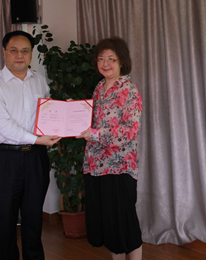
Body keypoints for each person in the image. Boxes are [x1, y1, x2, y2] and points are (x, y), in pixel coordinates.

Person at [0, 31, 61, 260]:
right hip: (6, 159)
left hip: (36, 158)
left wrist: (61, 120)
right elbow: (2, 125)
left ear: (31, 54)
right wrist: (37, 139)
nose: (19, 55)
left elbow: (47, 115)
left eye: (25, 51)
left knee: (34, 220)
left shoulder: (40, 81)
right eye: (14, 50)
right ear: (4, 52)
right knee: (5, 222)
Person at [78, 37, 143, 260]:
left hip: (119, 166)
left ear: (121, 62)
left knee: (125, 224)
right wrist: (72, 115)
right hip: (95, 165)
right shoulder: (99, 88)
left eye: (111, 59)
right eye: (101, 59)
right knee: (110, 226)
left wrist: (96, 134)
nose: (105, 64)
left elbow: (129, 131)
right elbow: (91, 122)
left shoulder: (129, 90)